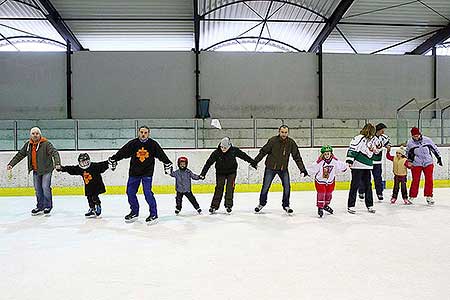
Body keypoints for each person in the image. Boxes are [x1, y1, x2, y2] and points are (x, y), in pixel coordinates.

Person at [109, 125, 172, 224]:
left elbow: (161, 155)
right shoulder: (133, 144)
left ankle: (153, 214)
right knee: (130, 192)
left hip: (147, 173)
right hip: (134, 173)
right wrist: (114, 158)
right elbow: (122, 152)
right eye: (141, 132)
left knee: (147, 193)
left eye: (145, 133)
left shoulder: (153, 144)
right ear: (138, 133)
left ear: (148, 134)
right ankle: (134, 212)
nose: (143, 134)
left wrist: (167, 162)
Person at [253, 125, 308, 215]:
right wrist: (255, 161)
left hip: (283, 169)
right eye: (282, 132)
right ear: (279, 132)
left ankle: (286, 205)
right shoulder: (273, 141)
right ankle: (261, 204)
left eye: (286, 132)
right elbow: (263, 152)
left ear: (288, 133)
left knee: (287, 187)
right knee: (265, 186)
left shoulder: (291, 143)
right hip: (271, 168)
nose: (284, 134)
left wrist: (302, 169)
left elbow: (297, 157)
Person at [7, 127, 60, 216]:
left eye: (37, 133)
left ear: (40, 135)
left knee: (45, 187)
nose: (35, 135)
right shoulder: (28, 145)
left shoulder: (46, 144)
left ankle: (48, 206)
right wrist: (11, 164)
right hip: (36, 170)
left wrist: (57, 163)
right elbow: (20, 155)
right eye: (33, 133)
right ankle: (40, 206)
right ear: (30, 135)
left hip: (46, 170)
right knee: (38, 189)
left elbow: (55, 153)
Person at [200, 137, 257, 214]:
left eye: (225, 147)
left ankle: (228, 205)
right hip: (220, 173)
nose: (223, 149)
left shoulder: (234, 151)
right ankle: (214, 206)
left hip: (231, 172)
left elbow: (244, 156)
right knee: (219, 188)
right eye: (221, 147)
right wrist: (203, 174)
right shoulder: (216, 153)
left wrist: (253, 162)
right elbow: (208, 163)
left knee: (230, 188)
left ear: (229, 146)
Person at [58, 153, 114, 218]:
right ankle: (92, 209)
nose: (84, 164)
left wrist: (110, 163)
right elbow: (71, 169)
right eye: (82, 162)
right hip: (88, 187)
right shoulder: (79, 169)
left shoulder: (95, 166)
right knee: (89, 198)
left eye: (86, 162)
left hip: (97, 186)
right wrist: (62, 168)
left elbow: (103, 165)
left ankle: (98, 205)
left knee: (94, 197)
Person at [346, 123, 378, 214]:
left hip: (367, 165)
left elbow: (376, 150)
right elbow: (353, 149)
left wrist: (375, 150)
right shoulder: (358, 138)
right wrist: (350, 160)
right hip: (357, 165)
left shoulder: (373, 140)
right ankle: (351, 205)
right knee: (355, 185)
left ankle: (369, 205)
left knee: (368, 185)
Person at [308, 145, 347, 218]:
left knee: (329, 193)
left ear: (331, 154)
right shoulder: (320, 162)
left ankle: (325, 205)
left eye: (328, 154)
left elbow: (341, 165)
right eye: (325, 154)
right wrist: (306, 172)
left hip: (330, 181)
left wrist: (346, 166)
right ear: (322, 154)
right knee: (321, 193)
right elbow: (313, 168)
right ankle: (320, 207)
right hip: (320, 181)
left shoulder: (334, 161)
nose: (327, 155)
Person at [406, 127, 442, 205]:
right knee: (415, 180)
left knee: (429, 179)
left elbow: (434, 149)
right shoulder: (410, 143)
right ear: (412, 136)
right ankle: (412, 196)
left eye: (417, 135)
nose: (416, 137)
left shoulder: (427, 140)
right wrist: (409, 162)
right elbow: (408, 153)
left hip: (428, 162)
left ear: (420, 134)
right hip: (416, 163)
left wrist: (439, 157)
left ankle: (429, 196)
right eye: (414, 136)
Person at [358, 123, 391, 201]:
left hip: (378, 162)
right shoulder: (370, 137)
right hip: (368, 161)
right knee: (365, 178)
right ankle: (361, 191)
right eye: (383, 130)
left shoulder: (384, 137)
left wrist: (388, 147)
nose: (383, 131)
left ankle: (379, 193)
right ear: (379, 130)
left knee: (378, 178)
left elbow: (388, 145)